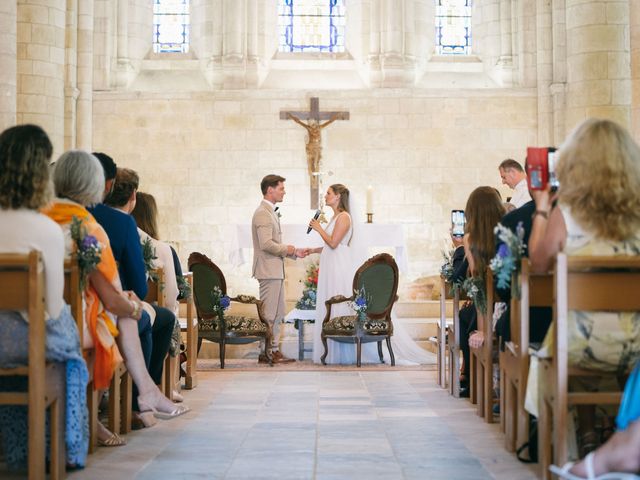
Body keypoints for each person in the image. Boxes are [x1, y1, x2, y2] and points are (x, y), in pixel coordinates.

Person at [46, 150, 189, 425]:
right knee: (131, 312)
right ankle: (142, 395)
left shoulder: (44, 218)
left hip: (31, 313)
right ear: (98, 185)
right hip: (66, 322)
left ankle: (145, 393)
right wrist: (133, 303)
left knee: (126, 310)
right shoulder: (88, 227)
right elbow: (120, 293)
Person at [526, 118, 640, 458]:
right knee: (612, 327)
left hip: (581, 344)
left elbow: (539, 265)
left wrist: (543, 210)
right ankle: (625, 432)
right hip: (637, 342)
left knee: (578, 327)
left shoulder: (568, 213)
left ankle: (588, 433)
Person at [0, 124, 89, 469]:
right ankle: (61, 448)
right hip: (25, 345)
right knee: (67, 338)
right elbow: (50, 309)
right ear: (41, 175)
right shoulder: (47, 230)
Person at [309, 184, 433, 365]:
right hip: (332, 263)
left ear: (337, 197)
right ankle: (334, 352)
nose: (325, 196)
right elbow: (330, 245)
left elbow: (334, 243)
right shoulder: (335, 217)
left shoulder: (344, 217)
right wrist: (312, 249)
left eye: (328, 193)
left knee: (339, 302)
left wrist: (318, 228)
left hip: (338, 266)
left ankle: (345, 353)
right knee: (331, 301)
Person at [251, 174, 307, 364]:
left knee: (277, 312)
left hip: (275, 270)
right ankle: (266, 351)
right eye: (281, 188)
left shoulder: (270, 212)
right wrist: (287, 249)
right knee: (268, 313)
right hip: (268, 270)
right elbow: (266, 244)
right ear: (270, 190)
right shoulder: (262, 213)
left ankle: (273, 349)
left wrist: (293, 253)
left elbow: (273, 244)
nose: (284, 191)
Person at [463, 187, 506, 350]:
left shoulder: (471, 239)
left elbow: (478, 285)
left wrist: (483, 330)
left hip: (492, 310)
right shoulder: (508, 231)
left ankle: (472, 372)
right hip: (514, 306)